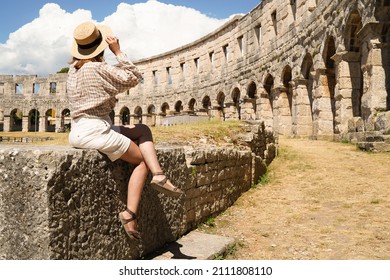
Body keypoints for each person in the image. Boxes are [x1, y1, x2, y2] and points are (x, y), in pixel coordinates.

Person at [67, 21, 184, 241]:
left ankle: (159, 176)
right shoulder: (99, 68)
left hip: (80, 129)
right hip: (96, 131)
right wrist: (118, 51)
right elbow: (133, 77)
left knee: (141, 129)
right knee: (140, 161)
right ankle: (129, 214)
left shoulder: (72, 72)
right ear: (100, 46)